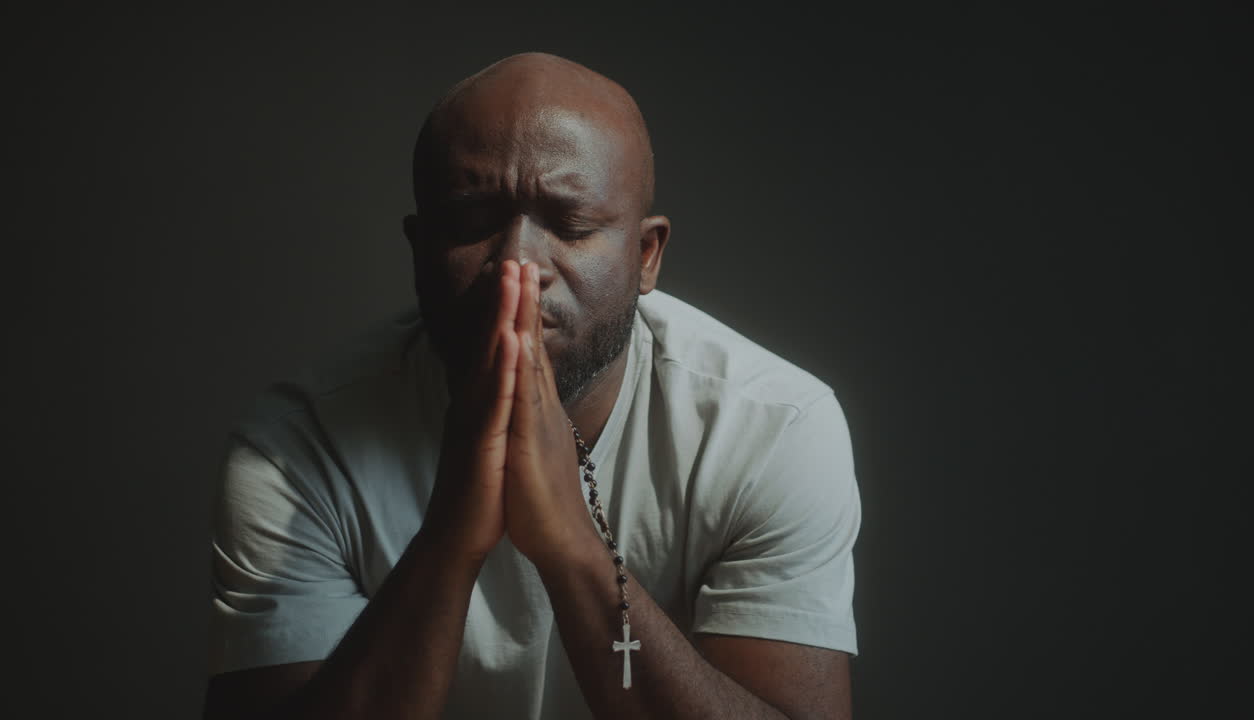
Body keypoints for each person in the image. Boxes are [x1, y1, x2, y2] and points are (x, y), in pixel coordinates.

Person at [203, 52, 861, 720]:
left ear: (646, 256)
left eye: (570, 225)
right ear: (418, 247)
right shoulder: (295, 448)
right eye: (469, 221)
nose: (517, 261)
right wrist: (452, 535)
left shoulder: (773, 428)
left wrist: (573, 544)